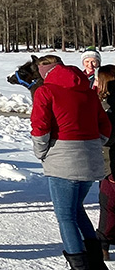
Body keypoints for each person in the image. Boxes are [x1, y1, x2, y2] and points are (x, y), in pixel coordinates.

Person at [31, 54, 111, 269]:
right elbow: (105, 125)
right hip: (91, 158)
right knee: (76, 209)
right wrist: (93, 144)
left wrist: (41, 152)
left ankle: (79, 264)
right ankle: (95, 261)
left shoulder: (45, 91)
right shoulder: (87, 90)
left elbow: (40, 127)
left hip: (63, 160)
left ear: (45, 74)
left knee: (65, 216)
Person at [96, 64, 115, 261]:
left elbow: (108, 137)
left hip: (111, 164)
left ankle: (102, 244)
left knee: (108, 205)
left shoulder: (107, 107)